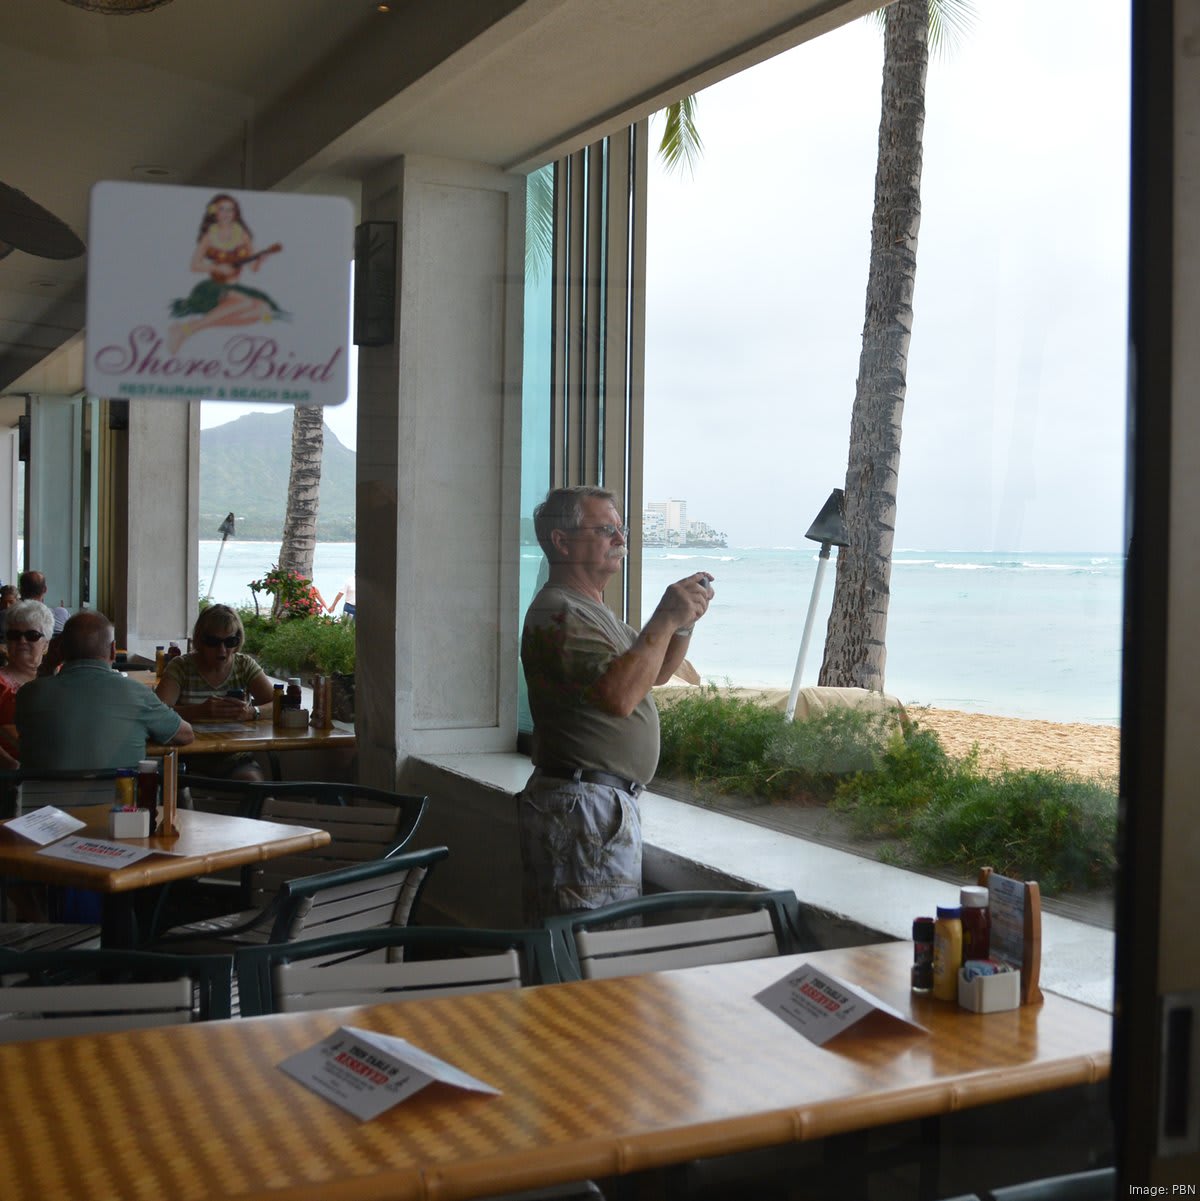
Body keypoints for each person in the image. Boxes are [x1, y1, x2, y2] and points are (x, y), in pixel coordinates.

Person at [518, 486, 714, 923]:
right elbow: (620, 696)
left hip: (593, 804)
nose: (620, 540)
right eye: (606, 530)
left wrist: (682, 625)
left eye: (620, 529)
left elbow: (654, 674)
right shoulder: (559, 613)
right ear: (562, 542)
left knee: (599, 949)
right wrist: (664, 617)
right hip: (583, 808)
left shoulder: (590, 609)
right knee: (595, 955)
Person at [16, 610, 193, 771]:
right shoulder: (137, 694)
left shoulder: (28, 695)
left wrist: (47, 665)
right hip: (118, 804)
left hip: (43, 805)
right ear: (113, 650)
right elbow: (185, 734)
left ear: (60, 649)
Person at [155, 604, 276, 780]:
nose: (222, 650)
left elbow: (279, 705)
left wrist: (252, 711)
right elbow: (157, 713)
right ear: (200, 641)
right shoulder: (181, 667)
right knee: (177, 787)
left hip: (234, 755)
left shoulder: (244, 665)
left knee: (254, 784)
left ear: (238, 641)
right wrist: (199, 711)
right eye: (213, 642)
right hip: (187, 755)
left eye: (230, 642)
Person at [168, 193, 287, 354]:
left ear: (235, 213)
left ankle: (189, 329)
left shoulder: (243, 235)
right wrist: (217, 268)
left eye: (230, 210)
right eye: (222, 209)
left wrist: (259, 260)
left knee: (263, 310)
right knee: (245, 303)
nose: (226, 214)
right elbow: (194, 265)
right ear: (214, 212)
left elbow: (252, 269)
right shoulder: (209, 236)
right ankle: (186, 331)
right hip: (213, 287)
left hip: (236, 287)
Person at [0, 599, 55, 767]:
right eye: (14, 635)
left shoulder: (62, 677)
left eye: (32, 635)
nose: (22, 641)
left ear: (45, 645)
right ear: (7, 643)